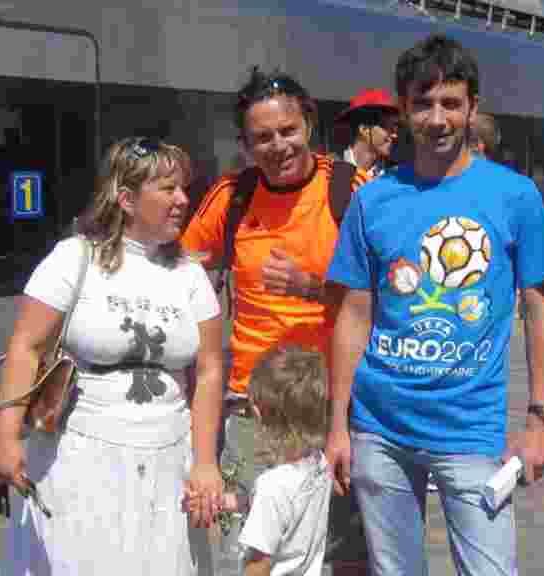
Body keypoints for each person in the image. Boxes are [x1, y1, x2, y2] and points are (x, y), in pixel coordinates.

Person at [325, 33, 544, 576]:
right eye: (423, 103)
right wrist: (338, 425)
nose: (437, 119)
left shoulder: (514, 195)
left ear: (472, 108)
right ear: (404, 109)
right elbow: (354, 316)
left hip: (469, 431)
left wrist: (539, 419)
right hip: (378, 430)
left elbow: (541, 306)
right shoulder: (372, 200)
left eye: (451, 103)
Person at [0, 137, 225, 574]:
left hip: (167, 459)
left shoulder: (190, 273)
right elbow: (25, 346)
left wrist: (206, 462)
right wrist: (6, 438)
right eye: (168, 189)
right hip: (80, 457)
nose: (183, 199)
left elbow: (210, 371)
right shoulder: (75, 257)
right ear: (126, 198)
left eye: (183, 188)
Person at [180, 67, 370, 574]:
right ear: (244, 144)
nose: (278, 146)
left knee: (340, 547)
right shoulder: (231, 197)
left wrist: (311, 285)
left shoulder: (354, 191)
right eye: (262, 137)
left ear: (309, 123)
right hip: (253, 407)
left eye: (288, 131)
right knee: (251, 546)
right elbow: (180, 269)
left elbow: (392, 294)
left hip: (337, 404)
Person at [184, 344, 332, 576]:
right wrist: (223, 501)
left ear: (258, 412)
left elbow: (259, 564)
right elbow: (278, 509)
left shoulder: (272, 485)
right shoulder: (318, 464)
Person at [335, 89, 401, 179]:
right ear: (364, 129)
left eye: (395, 128)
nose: (394, 135)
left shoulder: (395, 175)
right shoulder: (329, 169)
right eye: (387, 128)